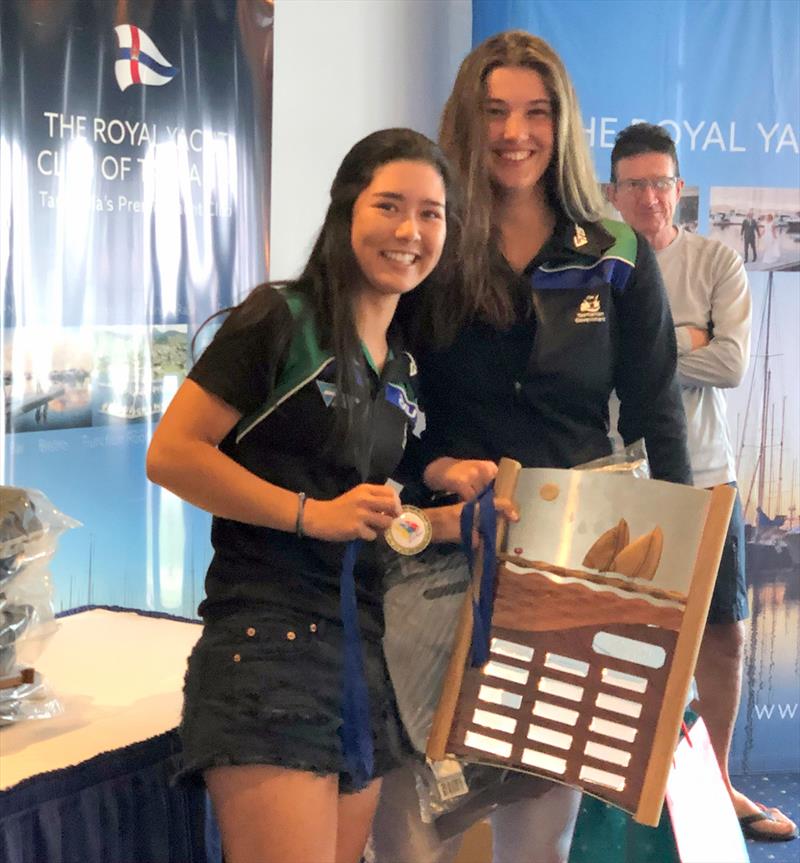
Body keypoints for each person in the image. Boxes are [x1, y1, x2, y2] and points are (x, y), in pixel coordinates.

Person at [370, 31, 692, 863]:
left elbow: (659, 409)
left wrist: (690, 578)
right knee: (412, 836)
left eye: (537, 112)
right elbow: (382, 409)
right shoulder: (428, 245)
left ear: (564, 123)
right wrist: (430, 472)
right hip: (435, 559)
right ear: (465, 123)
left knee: (536, 843)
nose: (516, 132)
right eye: (495, 111)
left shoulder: (614, 252)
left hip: (569, 569)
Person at [146, 128, 482, 863]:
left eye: (431, 213)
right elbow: (171, 455)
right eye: (389, 205)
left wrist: (445, 519)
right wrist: (308, 515)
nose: (409, 231)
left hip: (359, 655)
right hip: (268, 647)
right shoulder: (281, 318)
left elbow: (358, 521)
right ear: (345, 211)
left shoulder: (402, 366)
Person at [608, 122, 797, 843]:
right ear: (614, 193)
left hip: (709, 477)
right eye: (636, 184)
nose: (651, 196)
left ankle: (717, 786)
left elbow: (731, 365)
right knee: (620, 640)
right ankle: (630, 794)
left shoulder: (716, 259)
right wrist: (686, 337)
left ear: (679, 189)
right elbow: (598, 371)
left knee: (723, 634)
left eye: (663, 182)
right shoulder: (601, 265)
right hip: (623, 482)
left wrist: (647, 351)